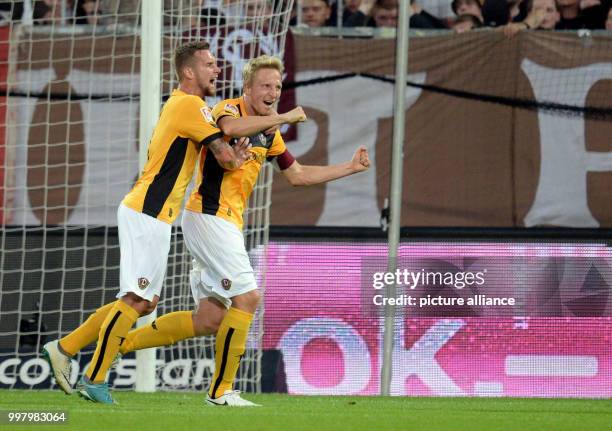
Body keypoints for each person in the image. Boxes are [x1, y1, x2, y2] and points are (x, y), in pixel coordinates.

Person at [41, 42, 306, 404]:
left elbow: (228, 159)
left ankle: (65, 347)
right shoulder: (189, 105)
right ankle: (95, 377)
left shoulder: (190, 107)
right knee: (136, 298)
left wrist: (236, 156)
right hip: (147, 210)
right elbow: (224, 152)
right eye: (210, 64)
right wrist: (280, 119)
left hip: (158, 214)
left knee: (145, 302)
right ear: (188, 72)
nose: (217, 69)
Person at [114, 54, 371, 407]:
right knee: (248, 298)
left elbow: (297, 176)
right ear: (247, 88)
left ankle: (117, 344)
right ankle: (221, 392)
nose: (272, 91)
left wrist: (350, 167)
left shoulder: (269, 132)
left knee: (209, 318)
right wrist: (284, 117)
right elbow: (230, 131)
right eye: (264, 85)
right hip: (209, 216)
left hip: (223, 222)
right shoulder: (227, 110)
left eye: (277, 86)